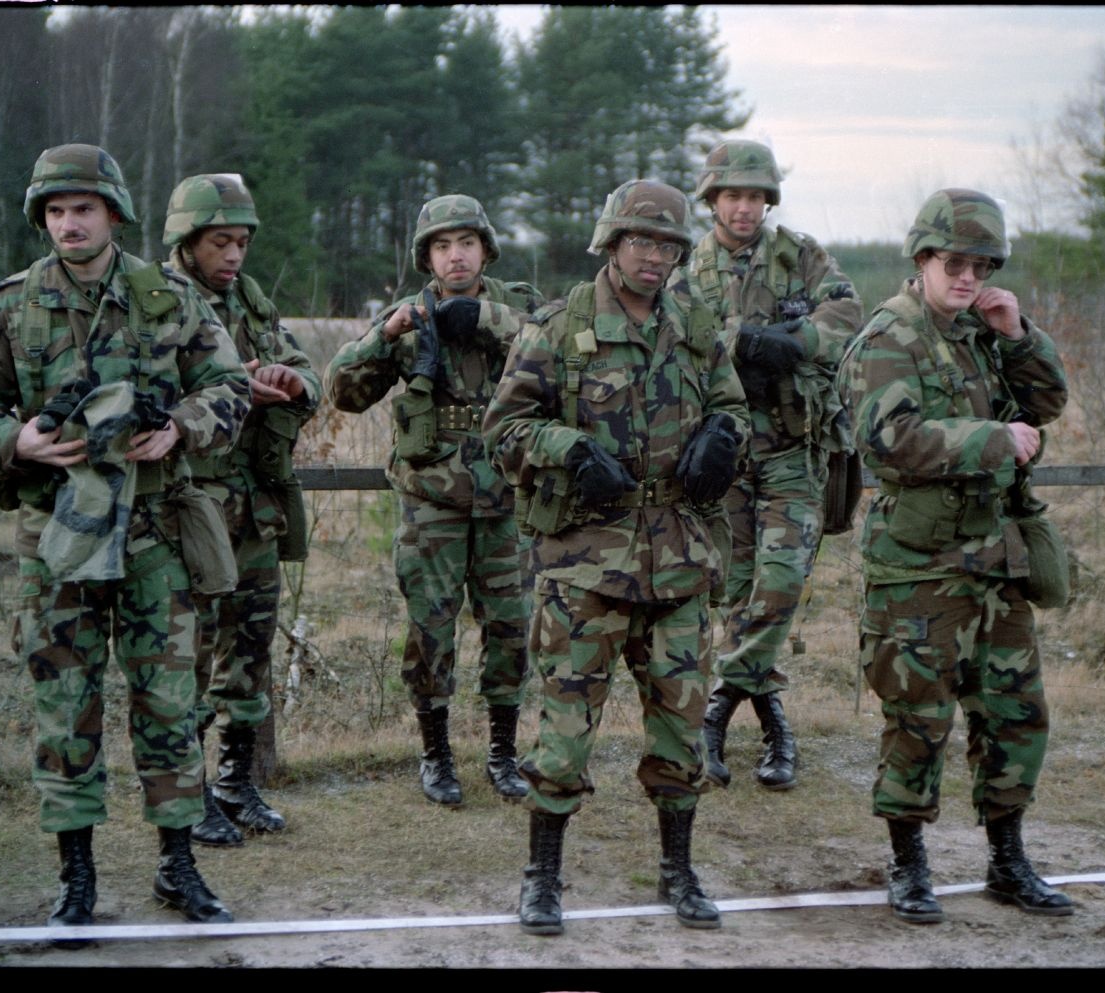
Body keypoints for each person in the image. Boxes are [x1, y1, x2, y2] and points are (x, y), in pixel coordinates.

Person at [0, 144, 250, 932]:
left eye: (82, 208)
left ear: (113, 212)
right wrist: (20, 443)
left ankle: (178, 866)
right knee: (66, 705)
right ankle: (75, 877)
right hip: (60, 539)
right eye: (54, 210)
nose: (68, 223)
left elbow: (230, 385)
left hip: (153, 536)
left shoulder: (167, 295)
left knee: (170, 705)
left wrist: (178, 428)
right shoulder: (11, 305)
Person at [483, 179, 751, 935]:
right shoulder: (557, 327)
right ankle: (542, 878)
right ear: (611, 242)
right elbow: (503, 431)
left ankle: (678, 869)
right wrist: (566, 448)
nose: (656, 257)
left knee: (681, 727)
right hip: (586, 569)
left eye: (668, 245)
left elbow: (732, 406)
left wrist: (723, 437)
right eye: (642, 241)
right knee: (564, 735)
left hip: (679, 563)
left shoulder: (696, 325)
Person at [839, 188, 1074, 923]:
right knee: (918, 717)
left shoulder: (980, 331)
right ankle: (908, 865)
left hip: (994, 562)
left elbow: (1049, 401)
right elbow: (891, 439)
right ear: (923, 259)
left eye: (981, 265)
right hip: (919, 568)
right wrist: (990, 439)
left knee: (1013, 713)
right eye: (954, 263)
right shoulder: (889, 336)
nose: (967, 277)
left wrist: (1016, 334)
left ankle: (1008, 861)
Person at [326, 194, 544, 806]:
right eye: (443, 246)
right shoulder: (410, 316)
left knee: (509, 627)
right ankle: (437, 755)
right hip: (432, 503)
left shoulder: (518, 306)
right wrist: (384, 333)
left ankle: (503, 751)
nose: (456, 256)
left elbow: (559, 355)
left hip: (507, 498)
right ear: (427, 256)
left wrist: (481, 320)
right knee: (431, 627)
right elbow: (342, 392)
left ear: (485, 250)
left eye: (466, 243)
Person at [684, 139, 863, 792]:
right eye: (732, 195)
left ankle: (717, 710)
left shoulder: (800, 254)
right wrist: (737, 342)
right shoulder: (687, 267)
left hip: (792, 448)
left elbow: (849, 312)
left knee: (780, 583)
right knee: (735, 593)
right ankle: (775, 724)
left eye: (755, 195)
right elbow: (673, 337)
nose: (744, 207)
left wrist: (796, 339)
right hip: (723, 453)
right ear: (712, 200)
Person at [163, 174, 322, 846]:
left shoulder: (252, 301)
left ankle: (234, 778)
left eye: (241, 243)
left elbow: (307, 371)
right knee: (187, 656)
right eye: (220, 242)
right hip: (190, 507)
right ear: (187, 241)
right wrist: (233, 393)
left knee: (250, 650)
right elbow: (151, 397)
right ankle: (189, 790)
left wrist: (291, 382)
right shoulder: (159, 305)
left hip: (253, 508)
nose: (233, 256)